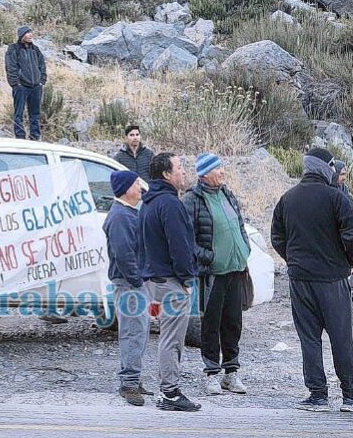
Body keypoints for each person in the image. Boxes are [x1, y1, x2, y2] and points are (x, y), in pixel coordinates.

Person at [271, 147, 353, 412]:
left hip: (299, 280)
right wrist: (345, 262)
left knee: (309, 338)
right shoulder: (335, 198)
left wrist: (294, 261)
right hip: (331, 280)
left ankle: (317, 395)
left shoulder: (287, 198)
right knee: (341, 338)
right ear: (325, 168)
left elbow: (277, 238)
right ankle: (350, 396)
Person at [181, 153, 250, 396]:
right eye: (217, 168)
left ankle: (231, 373)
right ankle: (211, 373)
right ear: (205, 174)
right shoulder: (192, 199)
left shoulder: (227, 194)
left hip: (235, 269)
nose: (222, 171)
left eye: (221, 167)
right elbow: (186, 238)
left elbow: (239, 223)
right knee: (211, 324)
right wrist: (208, 257)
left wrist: (244, 247)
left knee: (233, 322)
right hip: (212, 273)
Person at [138, 152, 201, 412]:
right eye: (179, 167)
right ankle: (170, 393)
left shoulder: (148, 202)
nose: (183, 171)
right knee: (172, 339)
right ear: (166, 173)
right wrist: (186, 279)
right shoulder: (170, 204)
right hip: (170, 281)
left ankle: (169, 390)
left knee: (168, 336)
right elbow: (180, 246)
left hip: (155, 279)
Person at [103, 170, 149, 406]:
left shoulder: (128, 212)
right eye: (136, 184)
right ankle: (129, 384)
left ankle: (133, 379)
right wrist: (138, 281)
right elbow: (124, 255)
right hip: (129, 284)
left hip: (132, 283)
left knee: (138, 332)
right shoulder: (121, 216)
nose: (140, 188)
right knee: (133, 332)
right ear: (126, 189)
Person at [4, 25, 47, 141]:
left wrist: (41, 81)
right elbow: (11, 67)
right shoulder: (14, 49)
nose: (30, 35)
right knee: (19, 113)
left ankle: (35, 137)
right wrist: (16, 84)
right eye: (27, 33)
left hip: (36, 87)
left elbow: (42, 65)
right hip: (21, 87)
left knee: (35, 114)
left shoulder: (35, 49)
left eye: (31, 32)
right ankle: (20, 137)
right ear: (21, 35)